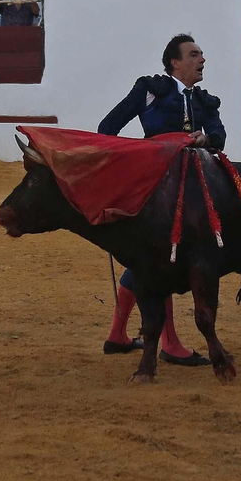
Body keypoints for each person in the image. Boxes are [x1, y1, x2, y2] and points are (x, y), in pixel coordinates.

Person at [95, 34, 220, 368]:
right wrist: (133, 162)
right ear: (175, 63)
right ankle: (171, 343)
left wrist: (206, 138)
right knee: (160, 258)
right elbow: (108, 127)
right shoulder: (151, 89)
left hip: (190, 184)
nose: (202, 59)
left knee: (146, 258)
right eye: (194, 54)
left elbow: (219, 138)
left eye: (202, 54)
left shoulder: (204, 101)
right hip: (155, 186)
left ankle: (118, 335)